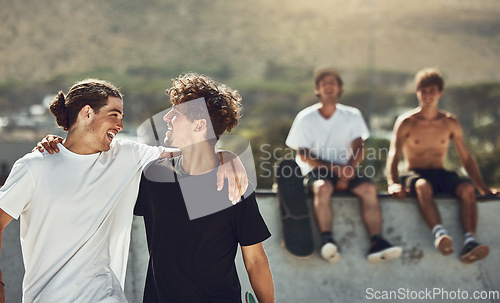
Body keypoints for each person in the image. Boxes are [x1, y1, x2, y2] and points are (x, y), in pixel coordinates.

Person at [0, 79, 247, 302]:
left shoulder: (126, 155)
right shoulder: (35, 166)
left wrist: (228, 156)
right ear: (87, 112)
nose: (120, 125)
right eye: (114, 114)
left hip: (106, 297)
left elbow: (195, 149)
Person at [134, 73, 274, 302]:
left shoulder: (235, 186)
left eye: (176, 113)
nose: (167, 117)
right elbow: (107, 165)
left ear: (199, 126)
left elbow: (255, 260)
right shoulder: (154, 176)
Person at [285, 67, 402, 263]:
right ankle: (327, 241)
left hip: (347, 169)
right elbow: (303, 154)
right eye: (324, 83)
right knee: (323, 188)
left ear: (340, 88)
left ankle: (377, 242)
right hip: (317, 172)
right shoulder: (305, 118)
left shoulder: (353, 115)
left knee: (368, 189)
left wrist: (348, 170)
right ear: (317, 90)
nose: (328, 86)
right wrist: (336, 170)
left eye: (333, 83)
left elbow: (359, 145)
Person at [386, 67, 499, 264]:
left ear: (440, 93)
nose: (427, 95)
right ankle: (440, 234)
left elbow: (466, 158)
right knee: (422, 186)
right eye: (423, 91)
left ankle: (469, 241)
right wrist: (392, 183)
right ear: (417, 92)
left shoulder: (449, 122)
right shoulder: (406, 122)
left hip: (440, 172)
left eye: (432, 91)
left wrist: (482, 187)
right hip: (414, 173)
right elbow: (394, 154)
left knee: (467, 189)